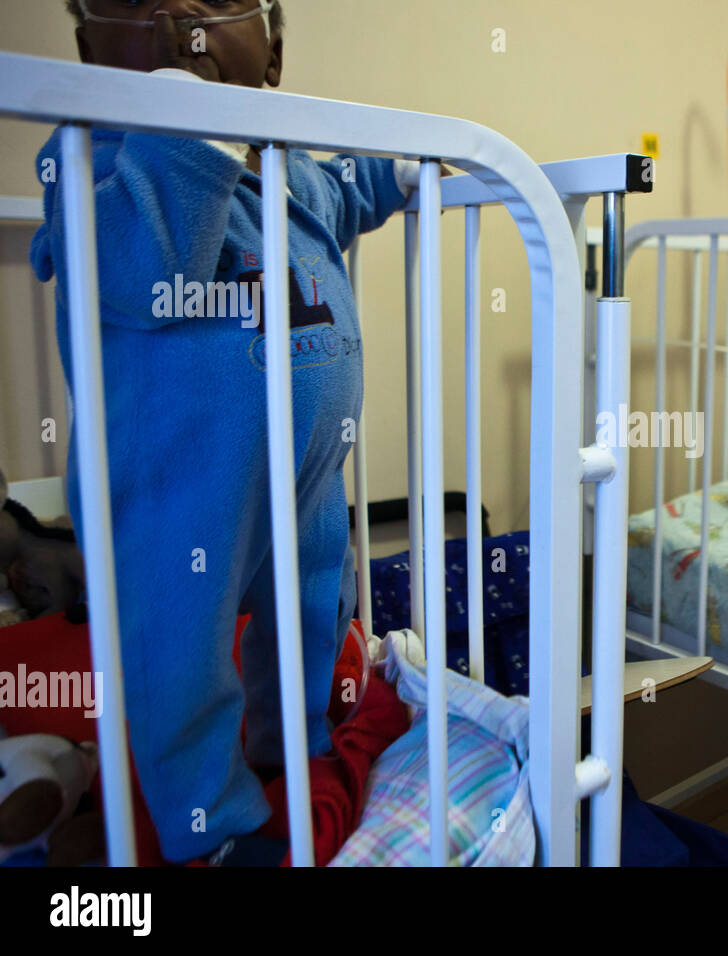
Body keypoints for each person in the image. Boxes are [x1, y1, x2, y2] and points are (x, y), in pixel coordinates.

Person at [31, 0, 419, 864]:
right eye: (134, 3)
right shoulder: (88, 164)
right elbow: (140, 270)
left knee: (314, 610)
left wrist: (390, 175)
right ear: (90, 50)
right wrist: (185, 130)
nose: (176, 21)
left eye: (210, 1)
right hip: (178, 487)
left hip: (307, 474)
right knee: (179, 654)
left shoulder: (285, 166)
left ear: (273, 54)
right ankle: (209, 820)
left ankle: (296, 748)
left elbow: (344, 192)